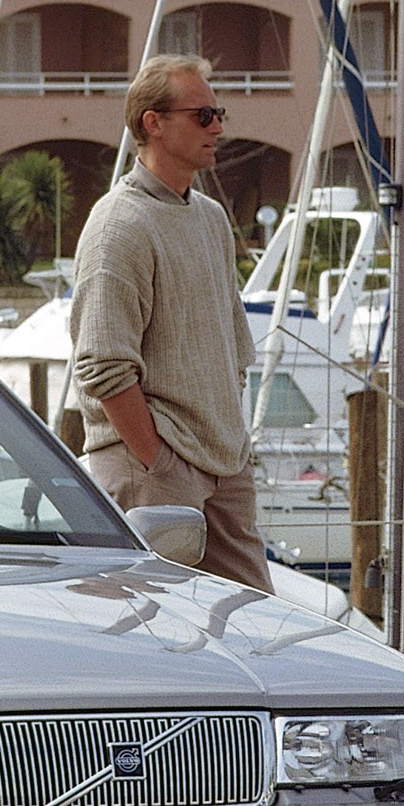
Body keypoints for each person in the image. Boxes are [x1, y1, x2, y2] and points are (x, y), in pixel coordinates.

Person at [68, 53, 272, 592]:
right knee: (154, 629)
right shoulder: (118, 225)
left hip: (224, 466)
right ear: (153, 123)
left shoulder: (211, 218)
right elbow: (103, 365)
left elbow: (233, 343)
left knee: (253, 619)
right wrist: (160, 463)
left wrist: (230, 450)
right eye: (203, 116)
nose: (218, 128)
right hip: (154, 472)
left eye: (218, 114)